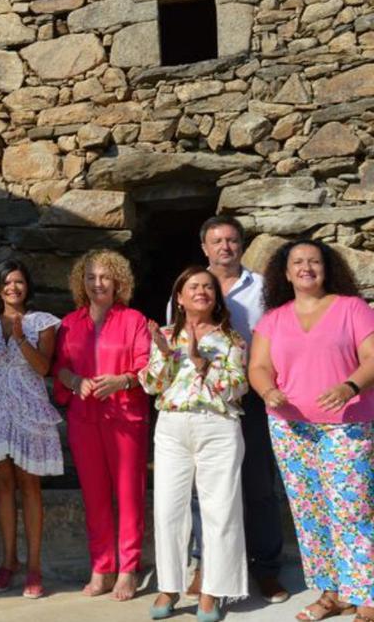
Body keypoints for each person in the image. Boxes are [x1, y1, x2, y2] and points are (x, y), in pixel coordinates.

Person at [249, 239, 374, 622]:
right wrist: (268, 390)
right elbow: (258, 367)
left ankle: (366, 594)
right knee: (310, 513)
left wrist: (349, 386)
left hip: (347, 425)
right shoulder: (273, 319)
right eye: (298, 262)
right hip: (291, 428)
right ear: (285, 273)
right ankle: (333, 593)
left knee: (352, 510)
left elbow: (372, 357)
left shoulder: (352, 309)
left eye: (314, 261)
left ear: (327, 267)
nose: (306, 267)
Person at [173, 216, 287, 603]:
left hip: (251, 396)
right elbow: (174, 339)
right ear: (204, 247)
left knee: (258, 485)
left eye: (232, 240)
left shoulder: (264, 288)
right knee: (202, 489)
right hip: (202, 403)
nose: (225, 246)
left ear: (242, 244)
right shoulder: (191, 285)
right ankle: (204, 564)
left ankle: (266, 569)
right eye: (217, 241)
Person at [142, 266, 249, 622]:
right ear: (180, 297)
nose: (201, 291)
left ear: (216, 297)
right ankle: (169, 586)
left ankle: (211, 592)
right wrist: (163, 355)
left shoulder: (231, 339)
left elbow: (238, 388)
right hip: (173, 426)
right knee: (169, 510)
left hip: (217, 427)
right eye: (194, 286)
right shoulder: (166, 335)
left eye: (208, 287)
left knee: (220, 512)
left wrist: (204, 365)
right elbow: (153, 387)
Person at [52, 249, 150, 601]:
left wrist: (122, 381)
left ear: (118, 281)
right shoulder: (69, 323)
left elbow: (145, 365)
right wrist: (74, 380)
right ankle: (102, 566)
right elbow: (58, 368)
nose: (98, 283)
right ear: (82, 282)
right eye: (91, 277)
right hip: (84, 418)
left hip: (125, 417)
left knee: (128, 493)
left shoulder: (134, 320)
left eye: (105, 277)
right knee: (94, 495)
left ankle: (128, 569)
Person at [0, 259, 61, 598]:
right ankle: (9, 561)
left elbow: (44, 367)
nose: (13, 288)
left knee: (30, 485)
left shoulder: (43, 322)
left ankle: (34, 566)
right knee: (3, 484)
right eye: (7, 282)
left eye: (19, 282)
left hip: (28, 409)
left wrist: (21, 339)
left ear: (27, 287)